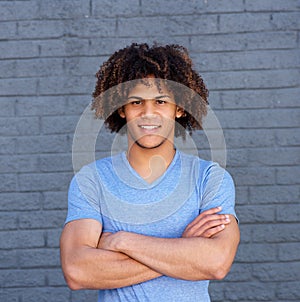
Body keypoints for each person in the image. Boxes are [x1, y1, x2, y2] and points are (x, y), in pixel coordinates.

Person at [60, 43, 240, 301]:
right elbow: (77, 271)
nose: (148, 114)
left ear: (179, 108)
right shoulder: (92, 181)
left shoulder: (210, 178)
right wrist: (184, 248)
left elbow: (216, 262)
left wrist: (120, 241)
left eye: (160, 101)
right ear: (122, 109)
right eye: (136, 102)